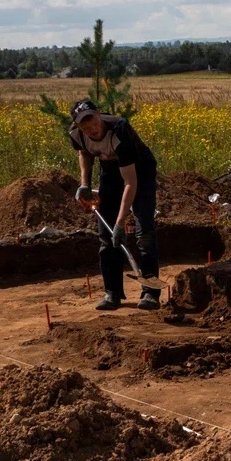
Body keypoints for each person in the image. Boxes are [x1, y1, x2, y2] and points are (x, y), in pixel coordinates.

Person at [68, 100, 161, 310]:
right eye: (85, 125)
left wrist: (120, 223)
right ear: (77, 125)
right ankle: (112, 293)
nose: (91, 129)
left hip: (140, 171)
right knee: (106, 235)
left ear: (99, 115)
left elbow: (130, 182)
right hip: (110, 171)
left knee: (144, 230)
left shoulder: (119, 130)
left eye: (93, 121)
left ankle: (150, 293)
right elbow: (84, 152)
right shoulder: (76, 134)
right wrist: (85, 183)